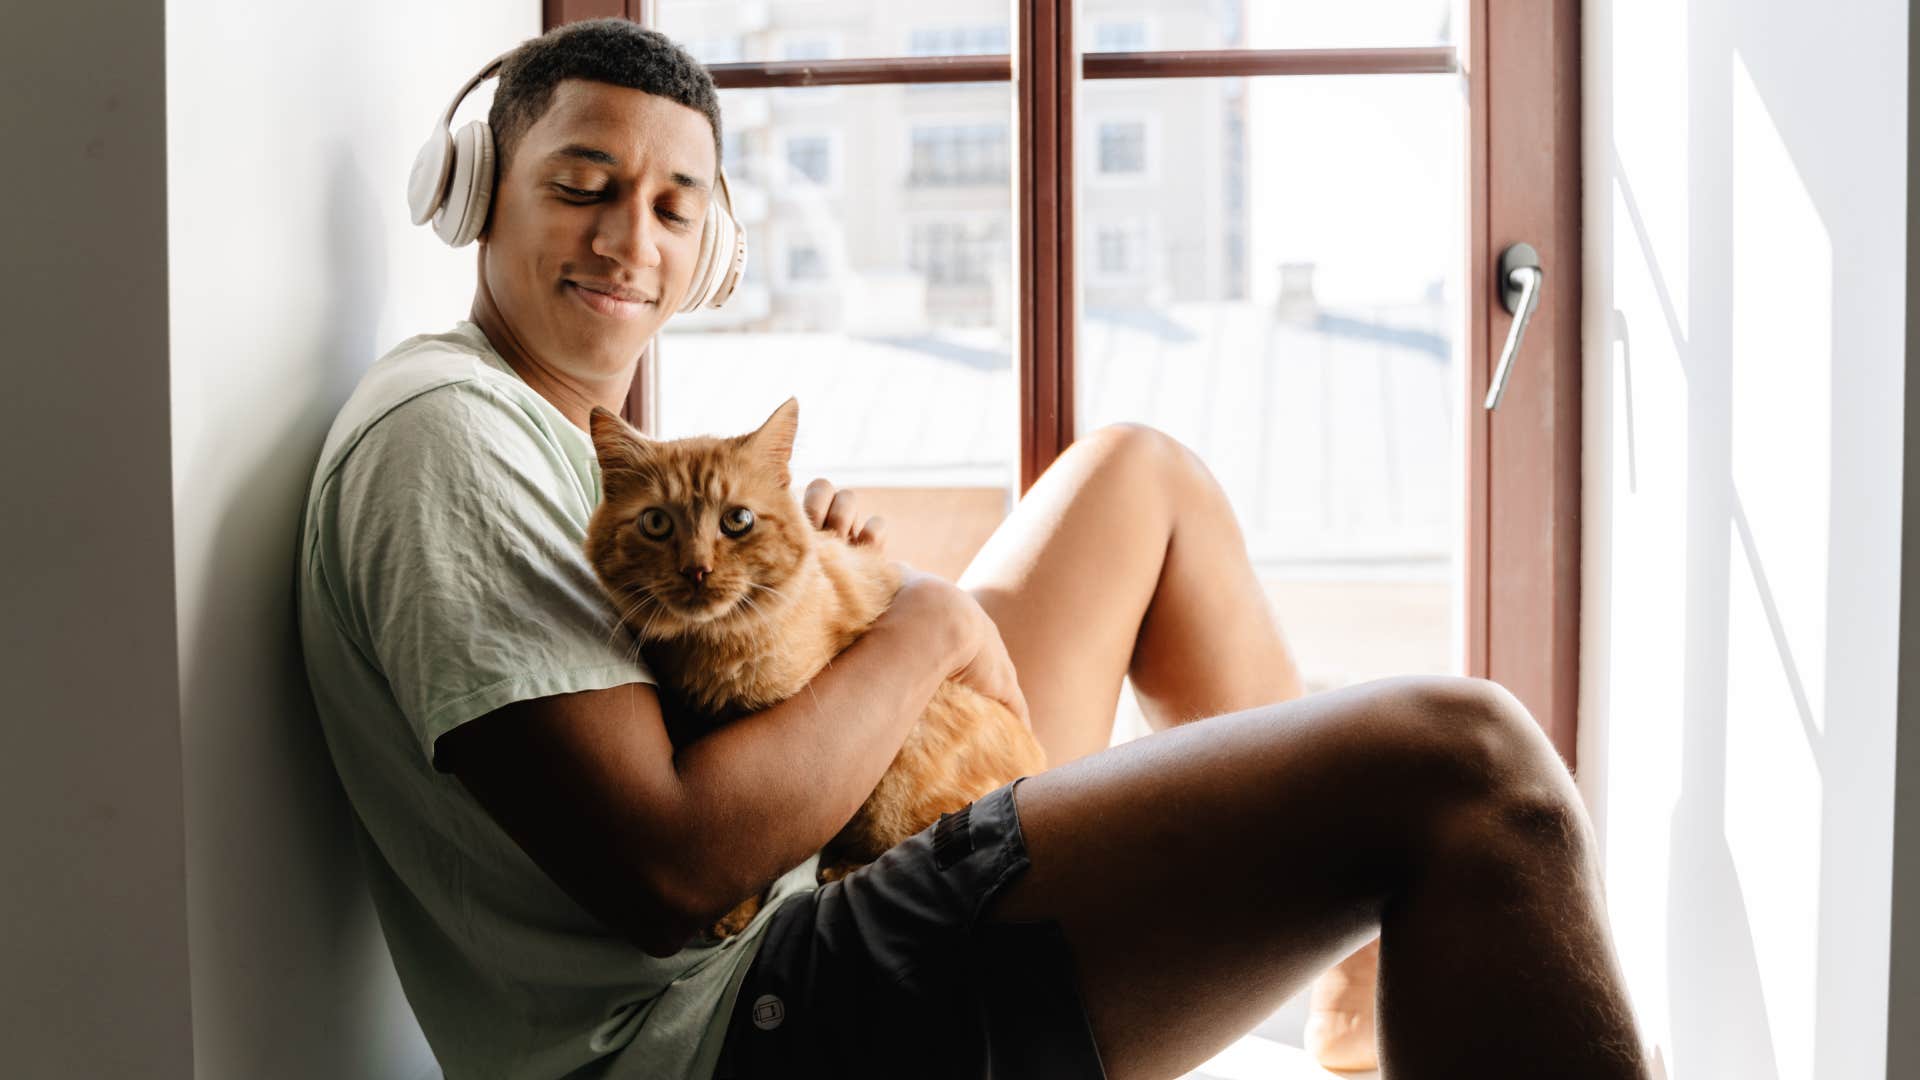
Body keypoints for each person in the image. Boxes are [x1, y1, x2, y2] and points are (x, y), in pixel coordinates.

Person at [296, 17, 1651, 1080]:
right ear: (480, 198)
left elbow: (707, 704)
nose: (627, 239)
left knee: (1138, 476)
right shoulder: (448, 441)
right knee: (1468, 759)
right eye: (582, 186)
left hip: (831, 860)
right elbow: (677, 874)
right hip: (739, 1023)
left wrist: (818, 600)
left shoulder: (572, 427)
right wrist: (915, 633)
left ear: (712, 248)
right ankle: (1299, 896)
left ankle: (1339, 985)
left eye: (672, 207)